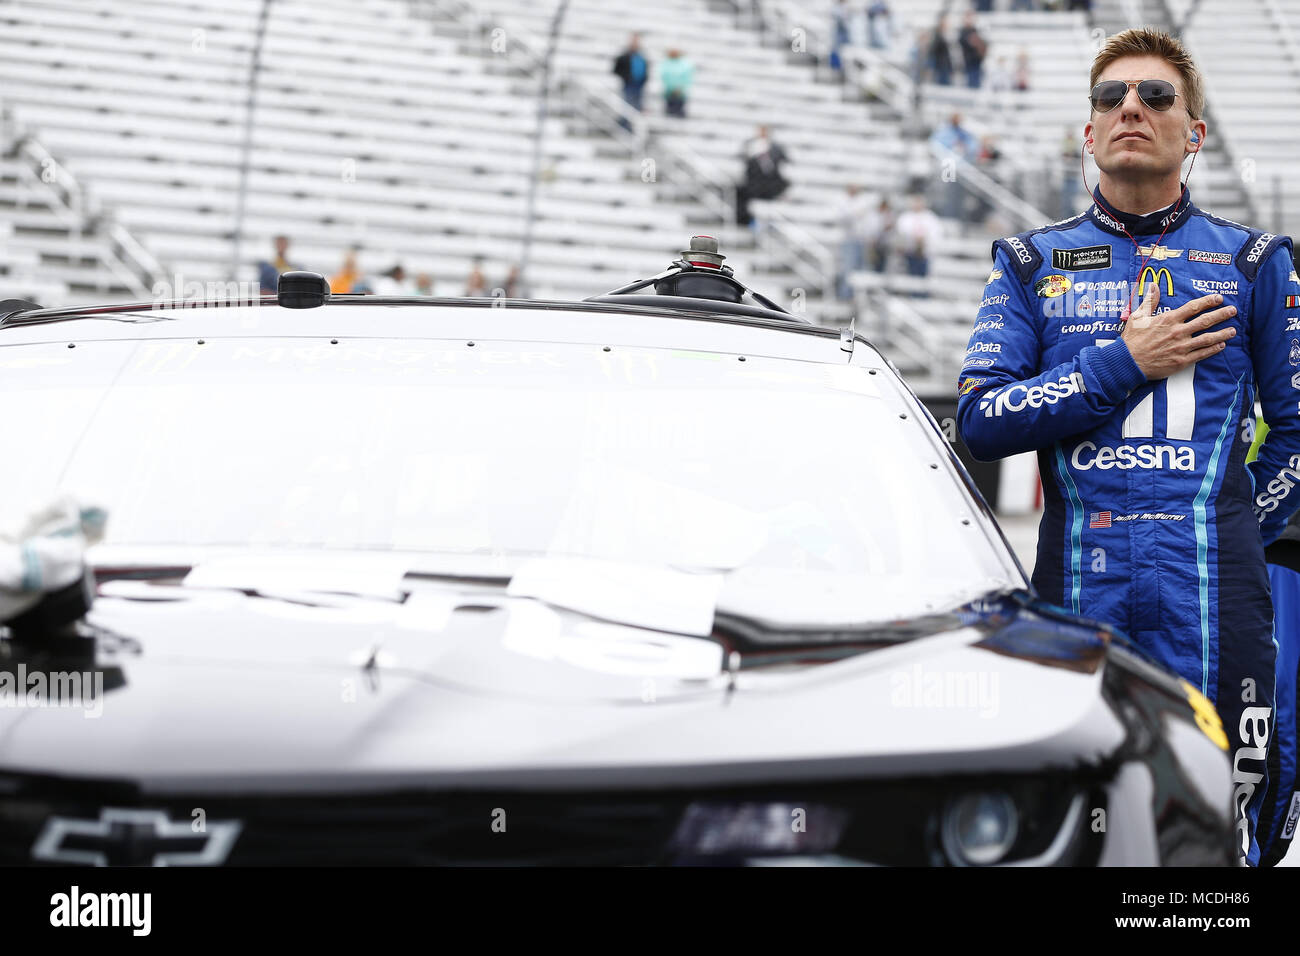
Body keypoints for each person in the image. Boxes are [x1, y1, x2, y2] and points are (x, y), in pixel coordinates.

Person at [956, 28, 1300, 866]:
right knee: (1077, 820)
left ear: (1196, 133)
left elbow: (1298, 431)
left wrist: (1230, 523)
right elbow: (982, 420)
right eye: (1110, 98)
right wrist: (1122, 363)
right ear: (1088, 131)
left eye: (1155, 97)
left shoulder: (1255, 263)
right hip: (1079, 587)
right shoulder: (1032, 263)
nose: (1130, 110)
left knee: (1222, 828)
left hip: (1216, 594)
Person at [735, 125, 790, 227]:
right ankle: (744, 220)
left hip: (771, 185)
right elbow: (744, 162)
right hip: (754, 184)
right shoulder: (750, 145)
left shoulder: (776, 148)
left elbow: (784, 163)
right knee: (738, 192)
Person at [892, 194, 941, 285]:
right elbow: (902, 232)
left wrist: (924, 241)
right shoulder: (905, 217)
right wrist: (913, 239)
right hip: (909, 253)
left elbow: (935, 234)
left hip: (924, 254)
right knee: (910, 277)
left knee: (923, 279)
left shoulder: (930, 218)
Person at [612, 34, 649, 130]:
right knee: (627, 105)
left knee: (637, 107)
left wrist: (643, 80)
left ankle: (633, 127)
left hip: (639, 86)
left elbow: (645, 71)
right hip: (628, 85)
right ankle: (624, 124)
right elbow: (616, 69)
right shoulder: (624, 56)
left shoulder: (641, 57)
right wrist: (625, 77)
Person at [660, 49, 694, 118]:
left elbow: (687, 78)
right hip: (669, 92)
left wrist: (680, 88)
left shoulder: (684, 64)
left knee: (679, 111)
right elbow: (665, 77)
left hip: (680, 92)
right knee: (669, 111)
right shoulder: (666, 64)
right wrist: (671, 88)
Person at [958, 12, 987, 89]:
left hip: (977, 59)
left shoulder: (974, 30)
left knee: (977, 82)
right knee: (971, 82)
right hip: (969, 60)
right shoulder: (963, 31)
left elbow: (981, 43)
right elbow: (964, 42)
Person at [928, 15, 954, 86]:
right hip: (941, 65)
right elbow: (934, 50)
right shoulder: (937, 36)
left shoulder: (945, 35)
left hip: (945, 65)